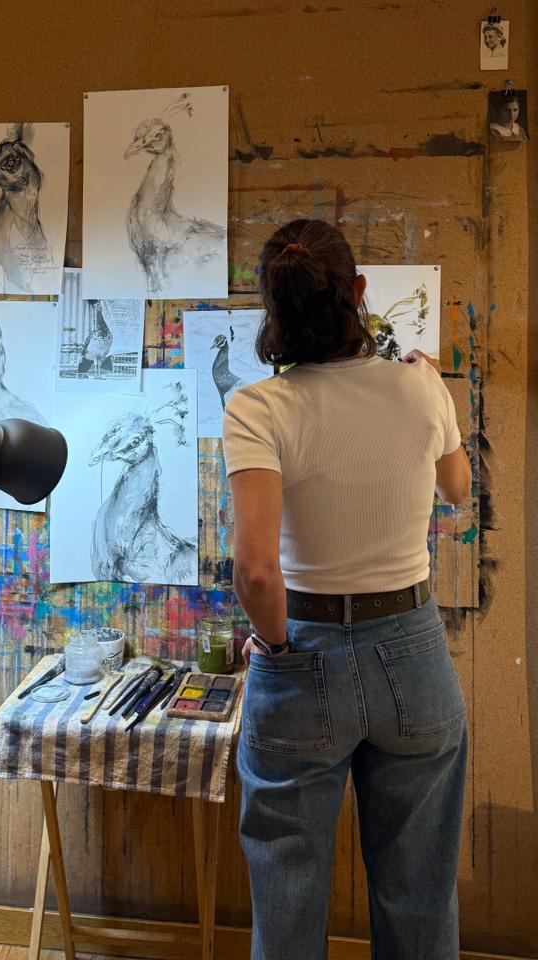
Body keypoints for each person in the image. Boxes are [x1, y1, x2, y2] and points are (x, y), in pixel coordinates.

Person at [222, 218, 471, 960]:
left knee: (288, 897)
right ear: (357, 291)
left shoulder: (258, 408)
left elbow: (256, 571)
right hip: (413, 649)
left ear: (272, 309)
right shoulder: (420, 385)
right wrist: (429, 391)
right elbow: (457, 488)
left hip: (304, 650)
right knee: (420, 895)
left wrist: (274, 650)